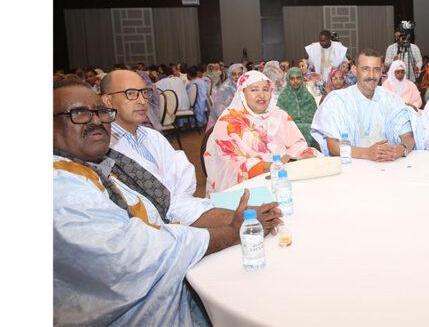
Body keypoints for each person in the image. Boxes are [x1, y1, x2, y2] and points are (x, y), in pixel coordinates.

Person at [53, 79, 283, 325]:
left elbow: (167, 203)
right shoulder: (63, 189)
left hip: (177, 272)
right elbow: (137, 252)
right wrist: (231, 231)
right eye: (79, 113)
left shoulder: (98, 163)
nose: (97, 121)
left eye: (100, 112)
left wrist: (242, 219)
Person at [205, 71, 320, 194]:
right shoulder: (228, 121)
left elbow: (297, 145)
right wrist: (269, 166)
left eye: (265, 89)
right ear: (242, 93)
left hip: (284, 181)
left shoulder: (279, 115)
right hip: (248, 189)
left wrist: (304, 154)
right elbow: (228, 163)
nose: (261, 95)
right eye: (254, 90)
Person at [311, 48, 422, 161]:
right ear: (354, 70)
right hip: (351, 165)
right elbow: (333, 146)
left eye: (376, 70)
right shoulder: (338, 101)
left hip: (387, 165)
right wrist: (367, 153)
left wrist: (401, 149)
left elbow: (408, 137)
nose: (371, 75)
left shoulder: (391, 99)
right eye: (366, 69)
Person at [101, 70, 198, 198]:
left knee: (221, 204)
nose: (142, 101)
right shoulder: (104, 148)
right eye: (131, 93)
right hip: (151, 211)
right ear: (108, 101)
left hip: (182, 205)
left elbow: (184, 175)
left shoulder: (153, 135)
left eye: (144, 93)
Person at [276, 67, 319, 149]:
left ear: (302, 79)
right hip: (288, 129)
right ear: (288, 80)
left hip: (308, 128)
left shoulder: (308, 96)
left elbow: (315, 118)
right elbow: (279, 118)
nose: (295, 81)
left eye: (298, 78)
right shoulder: (283, 97)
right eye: (292, 78)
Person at [207, 63, 245, 129]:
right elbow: (220, 112)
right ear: (229, 75)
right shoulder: (224, 89)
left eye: (240, 74)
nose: (237, 76)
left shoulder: (243, 86)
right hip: (226, 122)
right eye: (234, 74)